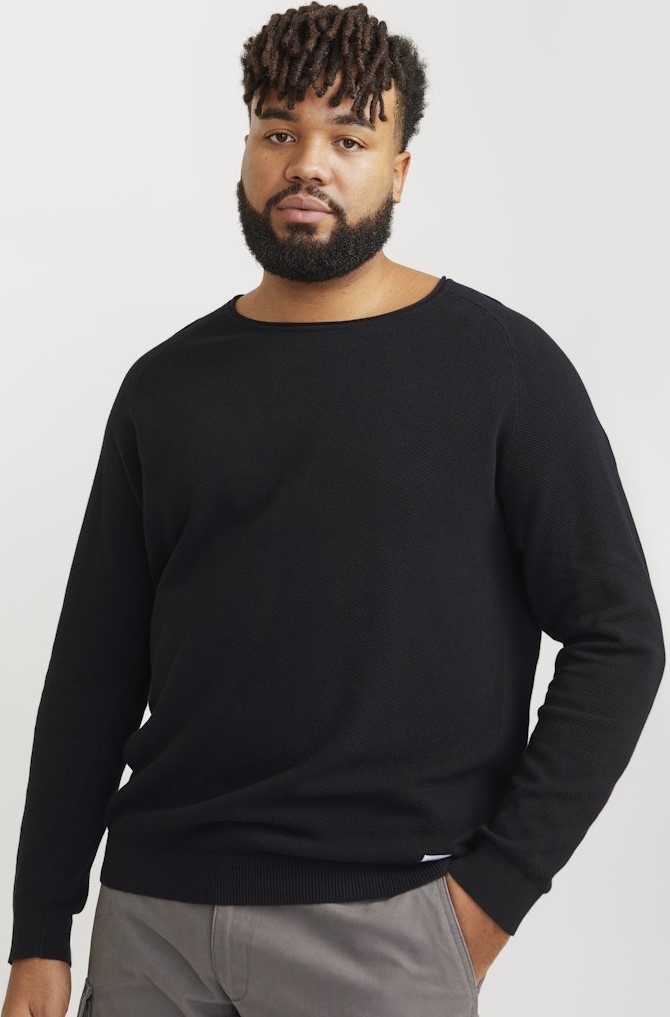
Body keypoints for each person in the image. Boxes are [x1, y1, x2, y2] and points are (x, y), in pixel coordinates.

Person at [3, 3, 665, 1016]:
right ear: (246, 153)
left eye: (349, 139)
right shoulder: (164, 388)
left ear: (399, 171)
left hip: (385, 925)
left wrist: (491, 895)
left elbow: (619, 638)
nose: (306, 163)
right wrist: (40, 927)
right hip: (151, 924)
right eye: (279, 131)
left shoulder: (503, 370)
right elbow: (94, 668)